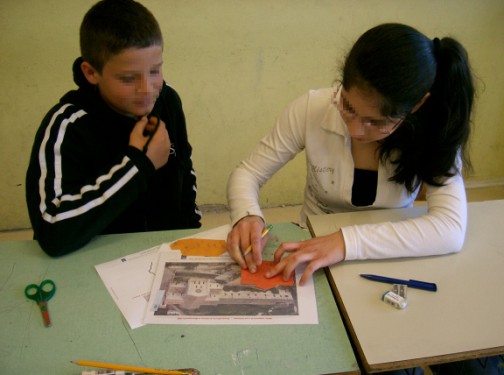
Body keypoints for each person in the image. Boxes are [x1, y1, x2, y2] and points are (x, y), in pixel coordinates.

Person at [226, 23, 474, 285]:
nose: (355, 129)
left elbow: (450, 229)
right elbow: (247, 173)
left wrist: (344, 242)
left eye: (377, 122)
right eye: (348, 106)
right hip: (310, 250)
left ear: (417, 105)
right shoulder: (312, 108)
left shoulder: (437, 130)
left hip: (386, 254)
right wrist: (247, 214)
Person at [26, 0, 201, 257]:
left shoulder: (168, 100)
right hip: (93, 266)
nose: (146, 89)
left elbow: (185, 173)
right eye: (128, 78)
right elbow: (52, 231)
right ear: (90, 72)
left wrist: (190, 235)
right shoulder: (67, 125)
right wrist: (138, 165)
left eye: (155, 70)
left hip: (165, 257)